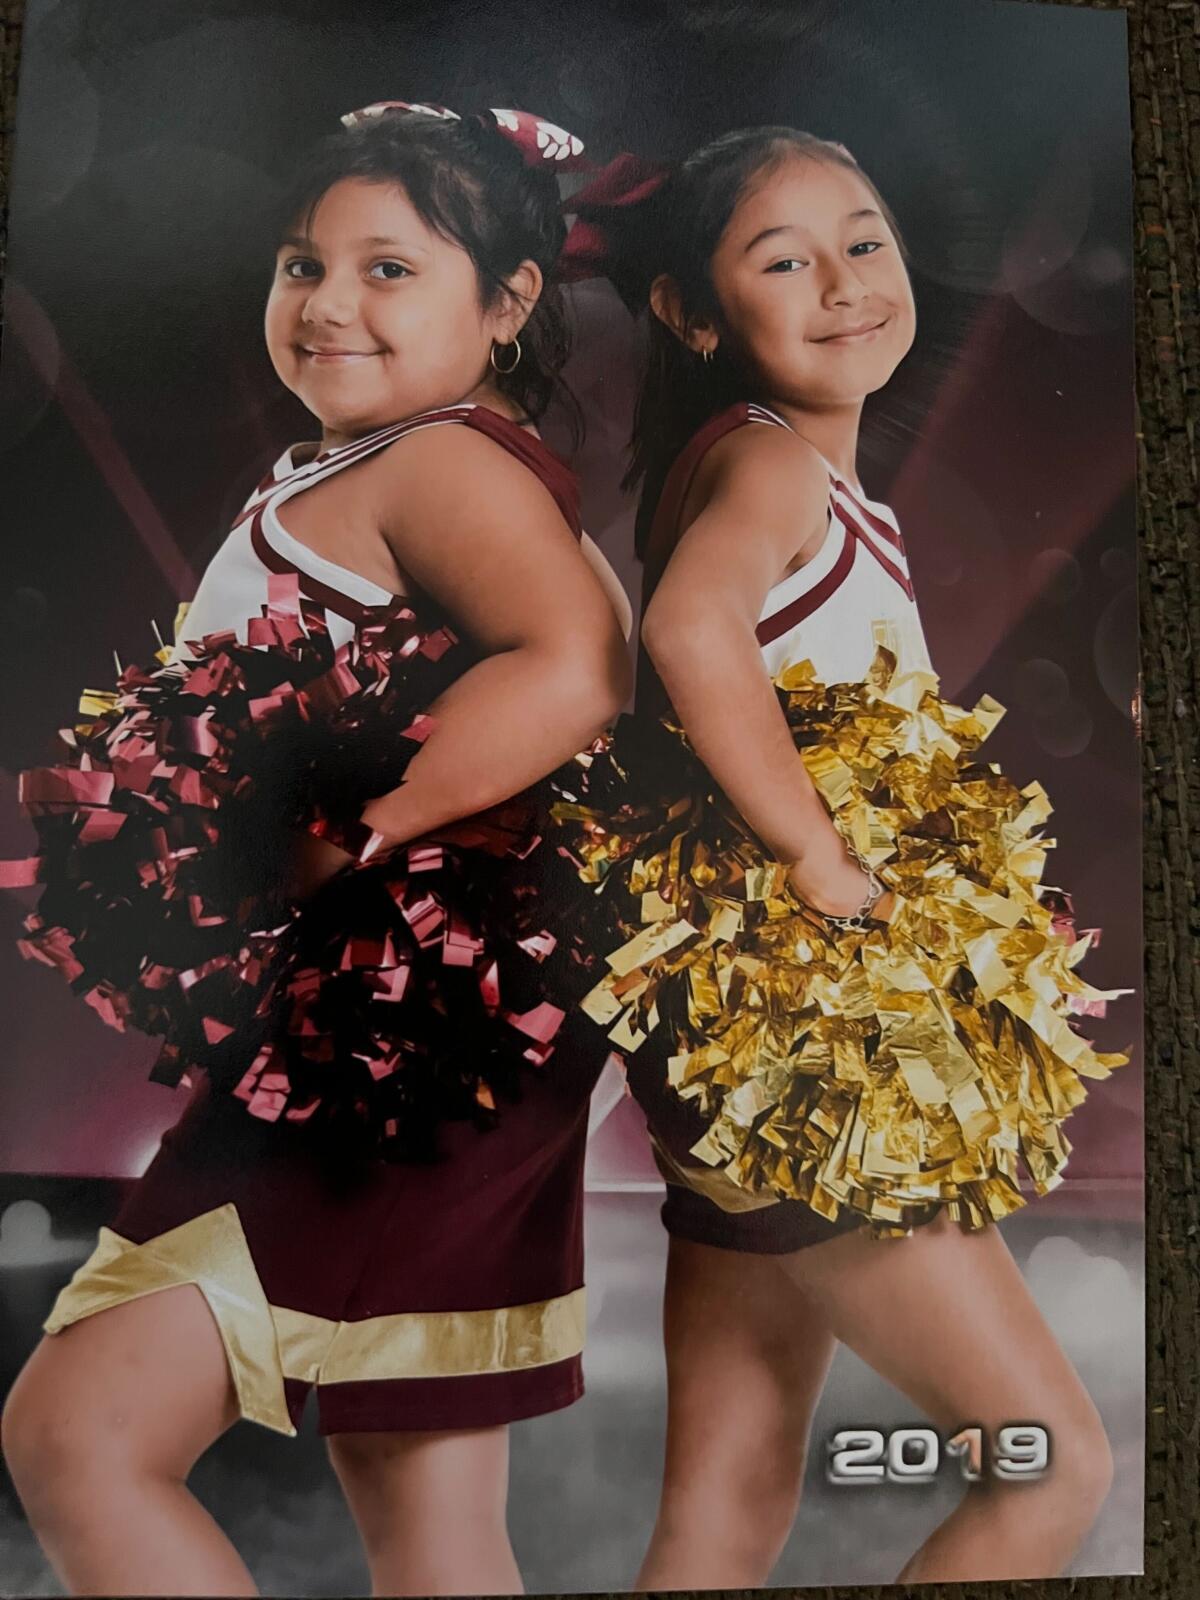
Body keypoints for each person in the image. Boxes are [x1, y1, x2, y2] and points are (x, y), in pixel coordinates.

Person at [2, 102, 631, 1599]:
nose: (329, 302)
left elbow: (577, 667)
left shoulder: (443, 465)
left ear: (509, 301)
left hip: (389, 1058)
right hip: (395, 1045)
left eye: (390, 269)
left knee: (82, 1437)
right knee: (422, 1506)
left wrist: (353, 828)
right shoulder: (364, 459)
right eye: (303, 263)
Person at [563, 127, 1120, 1586]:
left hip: (733, 1074)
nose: (842, 284)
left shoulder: (774, 465)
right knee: (1052, 1473)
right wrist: (819, 858)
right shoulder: (766, 466)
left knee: (724, 1518)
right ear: (690, 312)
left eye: (860, 241)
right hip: (795, 1065)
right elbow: (689, 632)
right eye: (780, 259)